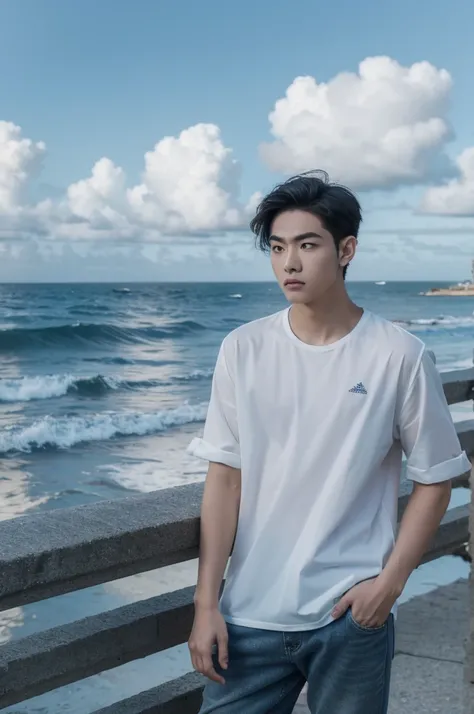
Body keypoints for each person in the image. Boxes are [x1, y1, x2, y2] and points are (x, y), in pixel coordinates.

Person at [186, 170, 470, 714]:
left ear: (346, 250)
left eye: (307, 245)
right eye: (276, 247)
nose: (289, 263)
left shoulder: (398, 355)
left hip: (349, 615)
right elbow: (224, 477)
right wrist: (206, 605)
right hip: (247, 616)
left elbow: (437, 476)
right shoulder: (242, 349)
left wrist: (389, 584)